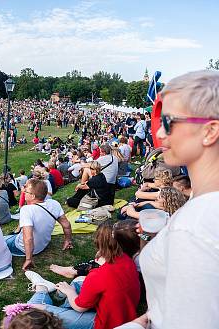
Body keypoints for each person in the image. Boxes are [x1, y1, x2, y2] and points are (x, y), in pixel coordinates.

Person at [115, 71, 219, 329]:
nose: (159, 133)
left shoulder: (194, 228)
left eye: (169, 122)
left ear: (210, 131)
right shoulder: (200, 207)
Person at [24, 222, 140, 329]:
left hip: (105, 324)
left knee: (29, 310)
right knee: (78, 281)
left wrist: (69, 291)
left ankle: (42, 288)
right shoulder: (128, 260)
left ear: (99, 244)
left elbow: (80, 307)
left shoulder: (98, 274)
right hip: (124, 315)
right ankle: (63, 311)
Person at [5, 178, 73, 270]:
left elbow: (28, 237)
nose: (24, 191)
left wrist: (28, 259)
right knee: (12, 236)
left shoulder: (26, 210)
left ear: (33, 196)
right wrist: (67, 240)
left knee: (0, 241)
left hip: (23, 248)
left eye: (26, 191)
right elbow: (66, 225)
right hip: (43, 245)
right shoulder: (54, 203)